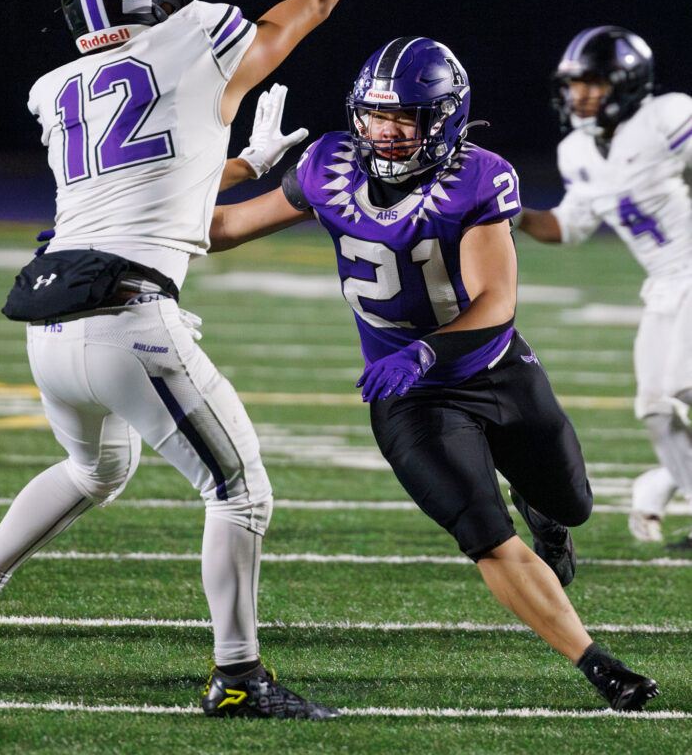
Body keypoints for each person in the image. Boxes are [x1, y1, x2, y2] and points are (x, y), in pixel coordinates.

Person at [0, 0, 424, 720]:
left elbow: (146, 182)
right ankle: (238, 677)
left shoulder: (57, 90)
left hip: (51, 321)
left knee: (96, 466)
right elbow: (308, 6)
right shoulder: (192, 38)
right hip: (128, 318)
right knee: (241, 491)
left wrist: (244, 165)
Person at [208, 35, 660, 712]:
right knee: (485, 535)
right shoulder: (325, 165)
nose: (385, 132)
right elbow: (219, 229)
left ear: (444, 117)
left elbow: (495, 304)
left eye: (404, 118)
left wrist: (425, 349)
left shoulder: (476, 178)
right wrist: (135, 222)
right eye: (374, 115)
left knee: (572, 503)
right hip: (409, 399)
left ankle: (547, 515)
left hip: (492, 368)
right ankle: (596, 665)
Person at [514, 26, 692, 550]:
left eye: (592, 82)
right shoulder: (578, 151)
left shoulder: (669, 117)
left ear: (627, 82)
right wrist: (515, 215)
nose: (580, 95)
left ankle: (662, 483)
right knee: (656, 409)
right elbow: (568, 227)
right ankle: (669, 482)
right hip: (664, 285)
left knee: (684, 385)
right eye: (574, 84)